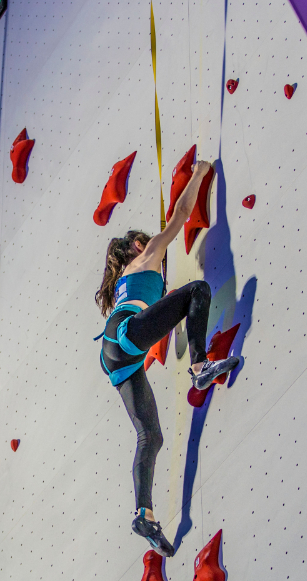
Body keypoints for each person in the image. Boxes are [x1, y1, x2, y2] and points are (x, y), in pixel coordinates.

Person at [96, 158, 240, 557]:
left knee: (151, 437)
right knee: (197, 291)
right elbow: (178, 217)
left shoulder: (129, 282)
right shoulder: (145, 256)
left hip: (116, 357)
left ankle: (144, 513)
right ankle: (200, 367)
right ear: (139, 247)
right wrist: (199, 173)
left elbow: (159, 317)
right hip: (125, 336)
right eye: (149, 242)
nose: (159, 252)